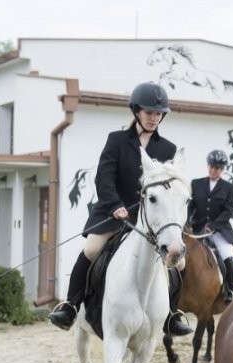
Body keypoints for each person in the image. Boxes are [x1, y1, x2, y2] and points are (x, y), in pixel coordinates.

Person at [48, 81, 193, 336]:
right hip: (112, 215)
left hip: (151, 220)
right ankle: (70, 306)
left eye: (158, 114)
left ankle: (173, 313)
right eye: (149, 113)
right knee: (91, 250)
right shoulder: (116, 140)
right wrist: (115, 205)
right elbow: (103, 177)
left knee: (179, 264)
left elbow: (169, 191)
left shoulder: (167, 149)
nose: (154, 118)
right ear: (136, 111)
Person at [188, 149, 233, 302]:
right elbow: (191, 206)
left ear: (222, 170)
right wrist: (188, 222)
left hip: (219, 231)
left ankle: (231, 290)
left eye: (216, 168)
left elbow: (228, 210)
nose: (213, 170)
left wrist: (214, 225)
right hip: (197, 230)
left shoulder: (229, 188)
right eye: (211, 166)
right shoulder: (196, 184)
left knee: (227, 256)